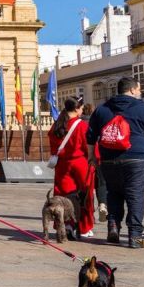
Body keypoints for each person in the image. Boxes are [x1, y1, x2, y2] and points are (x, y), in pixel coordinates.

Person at [85, 76, 144, 249]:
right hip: (136, 159)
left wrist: (92, 156)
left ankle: (113, 226)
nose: (140, 92)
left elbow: (91, 135)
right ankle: (135, 236)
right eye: (139, 89)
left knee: (113, 193)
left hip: (108, 160)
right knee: (135, 197)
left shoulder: (102, 109)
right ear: (131, 90)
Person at [50, 97, 94, 238]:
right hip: (80, 164)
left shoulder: (56, 125)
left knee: (63, 197)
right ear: (76, 109)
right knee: (84, 196)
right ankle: (84, 227)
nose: (82, 111)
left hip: (61, 165)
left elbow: (52, 147)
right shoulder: (82, 125)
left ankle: (66, 224)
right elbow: (88, 147)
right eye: (81, 108)